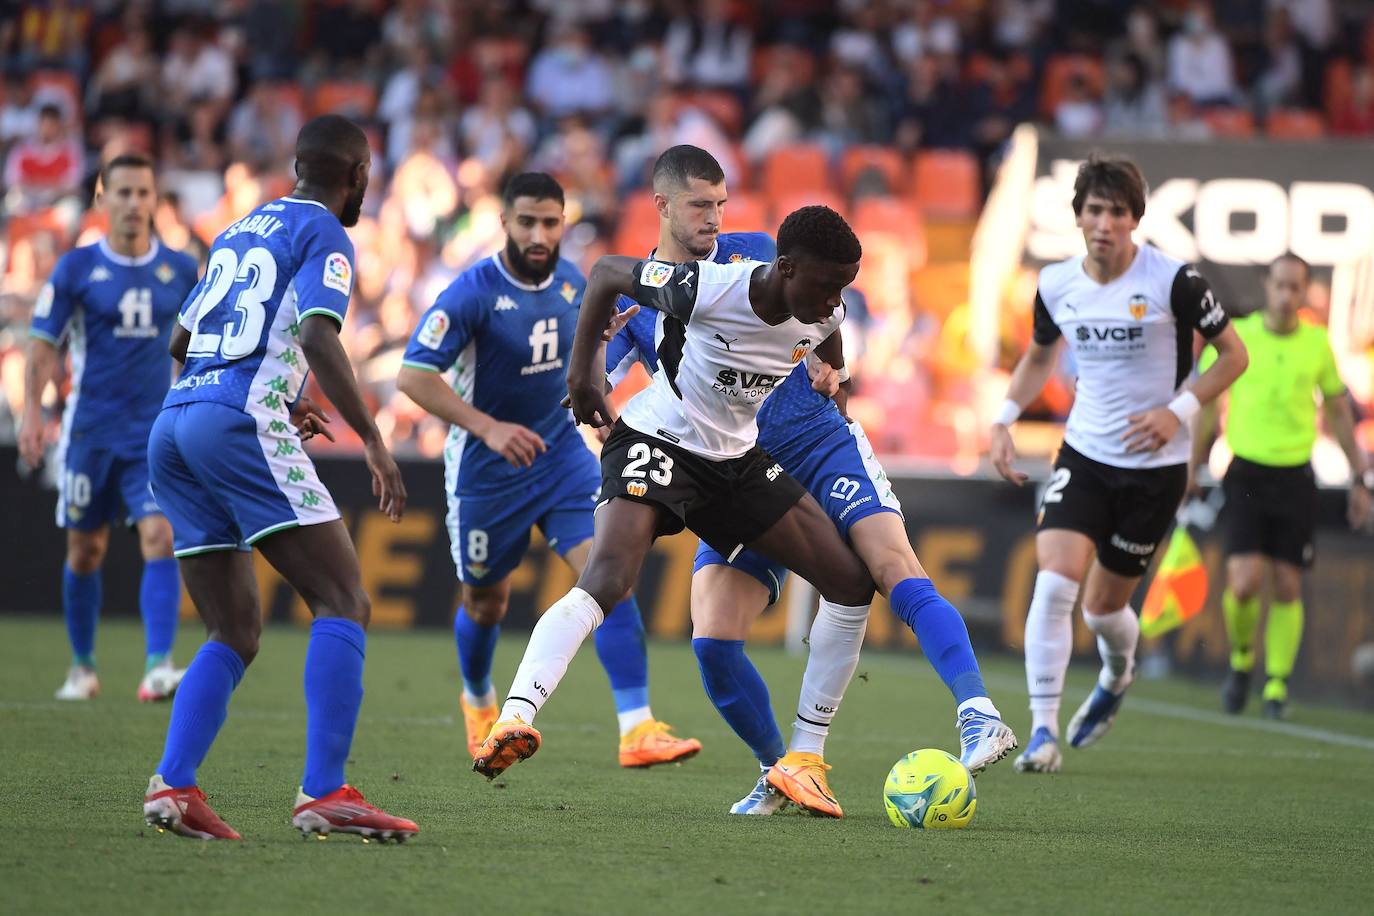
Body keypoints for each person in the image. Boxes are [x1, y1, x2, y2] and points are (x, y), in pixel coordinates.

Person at [605, 145, 1015, 818]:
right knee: (712, 636)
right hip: (735, 473)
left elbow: (825, 312)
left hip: (818, 443)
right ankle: (783, 771)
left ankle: (975, 712)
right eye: (699, 205)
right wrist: (586, 379)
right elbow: (600, 359)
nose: (712, 218)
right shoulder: (640, 299)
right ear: (662, 208)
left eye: (717, 205)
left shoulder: (751, 250)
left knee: (887, 562)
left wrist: (836, 372)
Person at [472, 205, 876, 798]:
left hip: (734, 462)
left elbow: (829, 328)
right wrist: (583, 377)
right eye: (826, 284)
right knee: (607, 579)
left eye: (844, 286)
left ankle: (804, 760)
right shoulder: (708, 288)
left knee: (849, 582)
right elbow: (609, 270)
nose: (836, 300)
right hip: (657, 441)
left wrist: (834, 374)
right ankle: (514, 717)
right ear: (785, 268)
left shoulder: (824, 309)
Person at [140, 115, 417, 842]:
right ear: (356, 175)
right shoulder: (326, 231)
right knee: (344, 598)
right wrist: (376, 441)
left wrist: (277, 394)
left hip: (175, 423)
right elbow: (320, 335)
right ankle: (325, 790)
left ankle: (174, 783)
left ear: (297, 164)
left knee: (232, 626)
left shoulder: (236, 230)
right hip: (234, 420)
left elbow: (182, 339)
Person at [396, 172, 701, 768]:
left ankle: (636, 727)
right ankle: (480, 700)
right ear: (505, 223)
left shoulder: (574, 282)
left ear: (564, 223)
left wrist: (599, 406)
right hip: (487, 469)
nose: (540, 234)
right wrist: (486, 426)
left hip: (561, 457)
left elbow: (582, 364)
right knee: (486, 601)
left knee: (607, 574)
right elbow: (412, 376)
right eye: (527, 222)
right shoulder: (470, 293)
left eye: (550, 222)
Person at [991, 153, 1247, 774]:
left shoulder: (1175, 281)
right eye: (1096, 210)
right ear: (1078, 216)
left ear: (1136, 220)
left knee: (1103, 609)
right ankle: (1043, 733)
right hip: (1084, 453)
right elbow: (1038, 357)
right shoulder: (1055, 284)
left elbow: (1234, 356)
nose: (1106, 222)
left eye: (1119, 212)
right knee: (1055, 583)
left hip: (1157, 469)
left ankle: (1116, 671)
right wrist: (1002, 418)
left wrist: (1177, 411)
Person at [21, 153, 199, 703]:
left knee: (160, 536)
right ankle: (82, 667)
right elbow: (44, 344)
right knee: (85, 550)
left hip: (152, 433)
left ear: (154, 201)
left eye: (143, 193)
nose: (133, 204)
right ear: (102, 198)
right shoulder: (75, 269)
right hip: (89, 432)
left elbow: (201, 349)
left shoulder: (182, 269)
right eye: (122, 193)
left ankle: (158, 666)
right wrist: (31, 410)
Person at [1192, 254, 1372, 719]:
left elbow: (1337, 412)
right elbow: (1209, 408)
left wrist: (1359, 477)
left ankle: (1275, 686)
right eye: (1280, 285)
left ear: (1305, 291)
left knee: (1289, 583)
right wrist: (1191, 466)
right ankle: (1241, 661)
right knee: (1245, 581)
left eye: (1296, 287)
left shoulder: (1316, 344)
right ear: (1266, 286)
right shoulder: (1237, 337)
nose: (1288, 295)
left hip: (1296, 475)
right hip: (1247, 470)